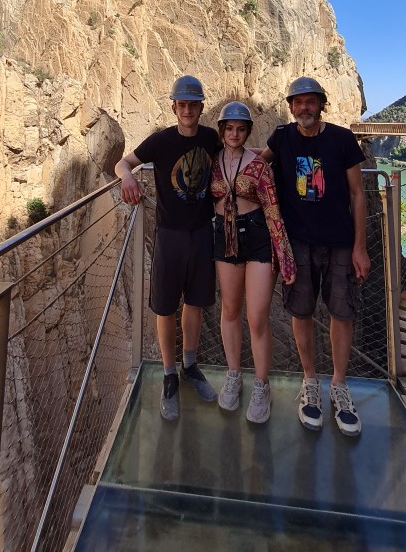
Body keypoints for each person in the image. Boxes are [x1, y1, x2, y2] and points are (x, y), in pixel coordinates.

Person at [261, 77, 369, 436]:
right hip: (298, 244)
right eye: (298, 102)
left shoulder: (341, 140)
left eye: (311, 102)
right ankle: (311, 382)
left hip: (339, 242)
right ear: (291, 106)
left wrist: (359, 246)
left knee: (342, 312)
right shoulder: (282, 138)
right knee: (301, 311)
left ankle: (339, 385)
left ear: (321, 104)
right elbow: (256, 169)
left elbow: (357, 194)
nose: (304, 108)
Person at [115, 75, 220, 420]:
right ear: (174, 107)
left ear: (201, 108)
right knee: (165, 306)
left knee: (194, 302)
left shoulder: (210, 138)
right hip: (170, 234)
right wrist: (127, 176)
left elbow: (235, 156)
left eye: (193, 105)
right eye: (182, 105)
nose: (188, 110)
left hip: (203, 232)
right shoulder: (160, 142)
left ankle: (190, 365)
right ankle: (170, 374)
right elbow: (123, 162)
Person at [210, 101, 297, 423]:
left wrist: (284, 257)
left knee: (257, 316)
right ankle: (234, 375)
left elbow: (273, 210)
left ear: (247, 132)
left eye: (241, 129)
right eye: (229, 128)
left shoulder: (259, 166)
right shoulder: (211, 164)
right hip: (224, 238)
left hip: (259, 237)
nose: (234, 134)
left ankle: (261, 385)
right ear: (222, 131)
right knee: (230, 311)